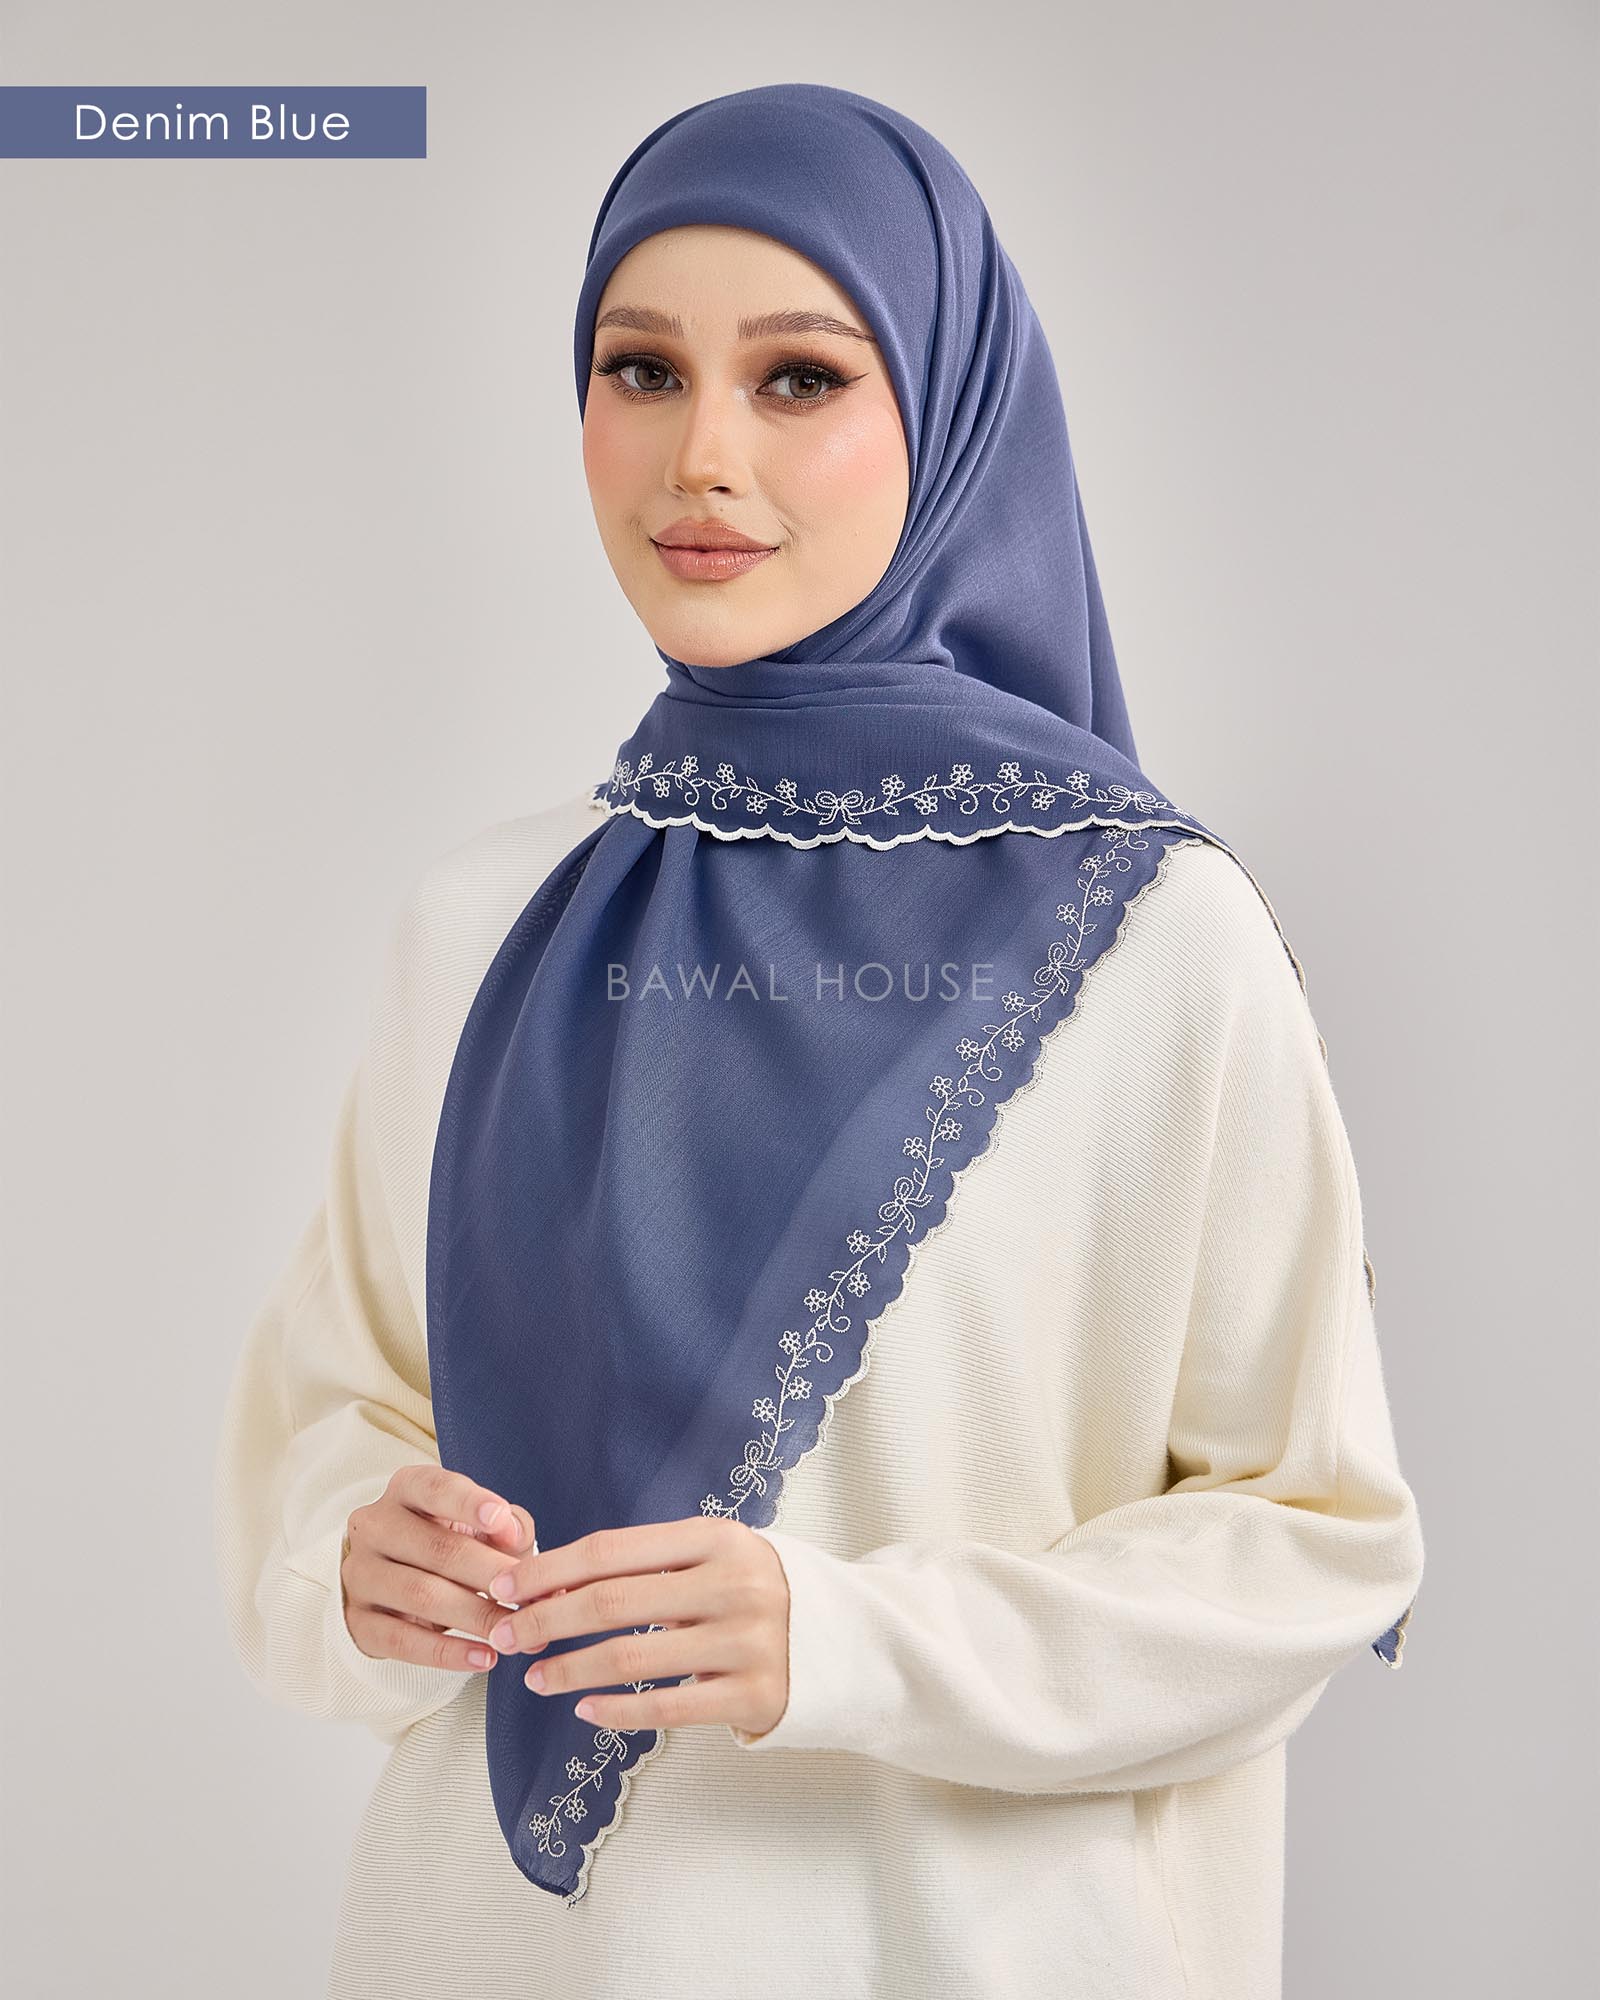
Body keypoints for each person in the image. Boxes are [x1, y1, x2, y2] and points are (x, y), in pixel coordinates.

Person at [213, 81, 1424, 2000]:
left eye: (798, 379)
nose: (702, 456)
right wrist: (353, 1561)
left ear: (945, 414)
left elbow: (1316, 1540)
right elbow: (329, 1416)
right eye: (641, 370)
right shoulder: (480, 925)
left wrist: (844, 1640)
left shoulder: (1154, 941)